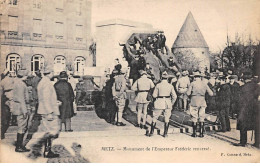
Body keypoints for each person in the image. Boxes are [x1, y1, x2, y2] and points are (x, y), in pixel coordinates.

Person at [28, 67, 60, 158]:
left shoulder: (42, 82)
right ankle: (47, 151)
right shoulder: (47, 83)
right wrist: (49, 111)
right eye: (53, 72)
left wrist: (55, 101)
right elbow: (45, 99)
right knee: (52, 131)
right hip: (48, 111)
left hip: (45, 109)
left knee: (49, 130)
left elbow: (45, 97)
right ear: (50, 72)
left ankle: (47, 150)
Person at [148, 71, 177, 137]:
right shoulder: (170, 86)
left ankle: (151, 132)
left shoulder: (158, 85)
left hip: (159, 102)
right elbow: (175, 96)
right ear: (167, 78)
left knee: (155, 117)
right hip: (167, 102)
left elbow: (154, 95)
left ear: (161, 78)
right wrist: (171, 103)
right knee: (167, 118)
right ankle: (165, 133)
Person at [234, 73, 258, 147]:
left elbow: (238, 100)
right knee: (257, 125)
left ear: (244, 79)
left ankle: (243, 142)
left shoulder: (242, 88)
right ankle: (257, 143)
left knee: (243, 124)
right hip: (255, 108)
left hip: (244, 108)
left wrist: (235, 110)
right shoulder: (257, 86)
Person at [186, 71, 213, 137]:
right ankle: (201, 133)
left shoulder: (192, 83)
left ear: (195, 77)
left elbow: (188, 93)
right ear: (200, 77)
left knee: (194, 117)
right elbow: (211, 93)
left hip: (194, 101)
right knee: (201, 117)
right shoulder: (204, 84)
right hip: (202, 101)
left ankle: (194, 133)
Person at [11, 69, 30, 152]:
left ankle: (19, 145)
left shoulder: (16, 82)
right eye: (26, 76)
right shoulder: (21, 84)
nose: (27, 77)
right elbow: (21, 99)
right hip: (21, 108)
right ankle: (19, 146)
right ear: (24, 76)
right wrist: (25, 110)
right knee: (22, 127)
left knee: (21, 127)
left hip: (18, 107)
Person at [0, 69, 14, 139]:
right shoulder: (12, 80)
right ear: (8, 74)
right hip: (11, 97)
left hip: (6, 98)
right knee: (12, 110)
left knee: (5, 115)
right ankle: (12, 121)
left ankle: (2, 133)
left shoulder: (2, 81)